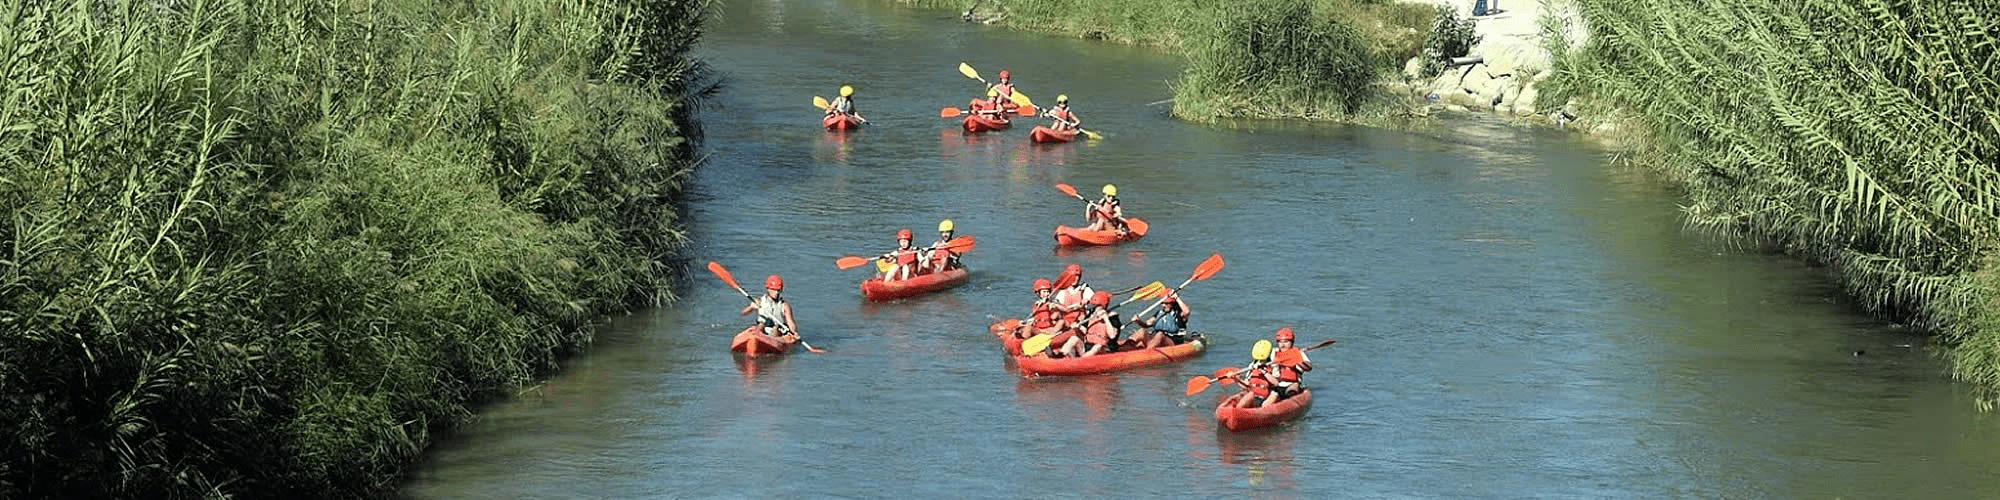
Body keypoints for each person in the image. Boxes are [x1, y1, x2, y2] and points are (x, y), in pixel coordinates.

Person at [739, 275, 799, 343]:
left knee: (775, 329)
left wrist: (794, 332)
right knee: (760, 325)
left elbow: (790, 323)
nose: (776, 292)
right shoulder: (760, 301)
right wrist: (751, 307)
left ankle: (772, 342)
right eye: (774, 289)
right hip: (762, 328)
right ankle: (756, 339)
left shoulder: (784, 305)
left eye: (778, 290)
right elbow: (743, 313)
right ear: (768, 289)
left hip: (777, 330)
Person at [1263, 327, 1312, 407]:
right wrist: (1260, 364)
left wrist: (1297, 361)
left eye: (1286, 342)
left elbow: (1309, 368)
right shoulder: (1273, 352)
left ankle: (1290, 404)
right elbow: (1262, 360)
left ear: (1291, 343)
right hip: (1278, 385)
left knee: (1291, 392)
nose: (1282, 345)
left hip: (1292, 384)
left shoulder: (1297, 353)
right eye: (1280, 342)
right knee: (1265, 404)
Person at [1222, 340, 1275, 409]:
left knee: (1250, 394)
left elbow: (1276, 383)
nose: (1260, 361)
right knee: (1245, 395)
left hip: (1263, 398)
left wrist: (1263, 371)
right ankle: (1234, 410)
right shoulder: (1252, 366)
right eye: (1258, 359)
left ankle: (1238, 411)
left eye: (1261, 360)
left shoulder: (1273, 366)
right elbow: (1246, 386)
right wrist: (1236, 379)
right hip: (1251, 395)